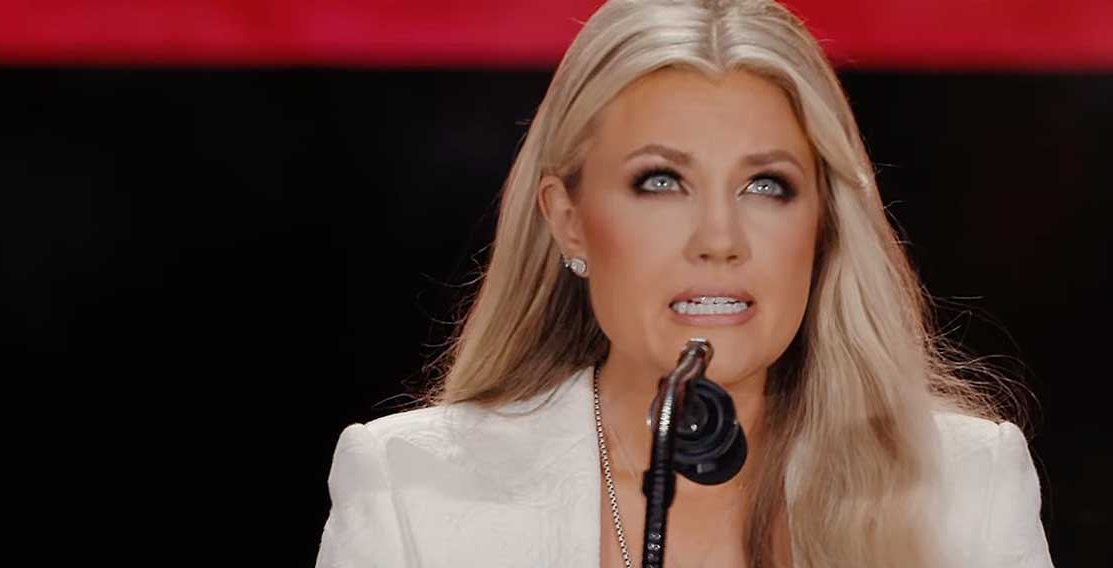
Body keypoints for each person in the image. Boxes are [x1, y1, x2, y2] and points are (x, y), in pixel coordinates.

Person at [314, 1, 1053, 566]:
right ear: (569, 221)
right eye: (661, 181)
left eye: (766, 185)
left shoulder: (966, 491)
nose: (720, 239)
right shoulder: (410, 490)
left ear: (824, 224)